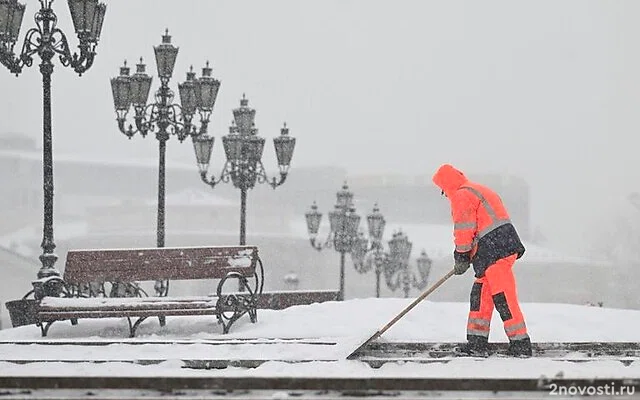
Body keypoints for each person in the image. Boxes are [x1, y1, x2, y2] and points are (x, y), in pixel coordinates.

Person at [432, 163, 532, 357]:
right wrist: (467, 255)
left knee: (502, 295)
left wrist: (461, 255)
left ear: (447, 185)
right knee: (481, 295)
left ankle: (520, 343)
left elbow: (464, 229)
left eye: (442, 190)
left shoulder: (462, 195)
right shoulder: (475, 190)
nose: (444, 194)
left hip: (496, 250)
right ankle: (477, 342)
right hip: (493, 250)